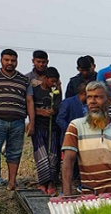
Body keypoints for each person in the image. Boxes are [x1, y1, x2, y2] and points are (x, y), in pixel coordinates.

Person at [61, 81, 111, 195]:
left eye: (98, 97)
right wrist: (67, 195)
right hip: (91, 196)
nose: (92, 102)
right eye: (89, 97)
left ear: (109, 101)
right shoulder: (76, 126)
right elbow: (68, 160)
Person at [0, 48, 35, 199]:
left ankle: (12, 182)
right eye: (7, 60)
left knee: (15, 153)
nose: (10, 63)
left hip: (18, 122)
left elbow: (29, 101)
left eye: (13, 60)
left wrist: (31, 122)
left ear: (17, 61)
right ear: (1, 60)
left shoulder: (24, 80)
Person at [31, 67, 62, 195]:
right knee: (41, 155)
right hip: (39, 128)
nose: (53, 84)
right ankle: (42, 181)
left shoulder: (57, 92)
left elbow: (58, 108)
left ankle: (51, 182)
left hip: (53, 129)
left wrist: (52, 111)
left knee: (53, 156)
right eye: (52, 81)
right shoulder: (34, 91)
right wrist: (41, 112)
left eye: (56, 82)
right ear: (44, 78)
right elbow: (30, 108)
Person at [56, 83, 87, 191]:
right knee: (69, 163)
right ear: (83, 93)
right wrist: (72, 130)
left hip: (85, 140)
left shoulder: (90, 105)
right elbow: (60, 119)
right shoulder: (68, 103)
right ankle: (68, 188)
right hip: (70, 138)